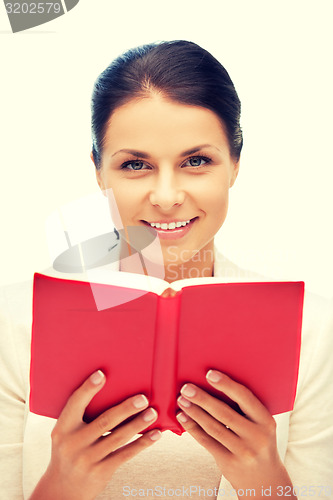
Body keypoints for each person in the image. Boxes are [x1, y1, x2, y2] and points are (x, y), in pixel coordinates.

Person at [0, 40, 332, 500]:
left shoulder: (311, 331)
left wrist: (263, 480)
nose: (166, 196)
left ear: (235, 164)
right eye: (135, 164)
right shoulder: (15, 324)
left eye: (197, 161)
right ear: (98, 171)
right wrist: (65, 484)